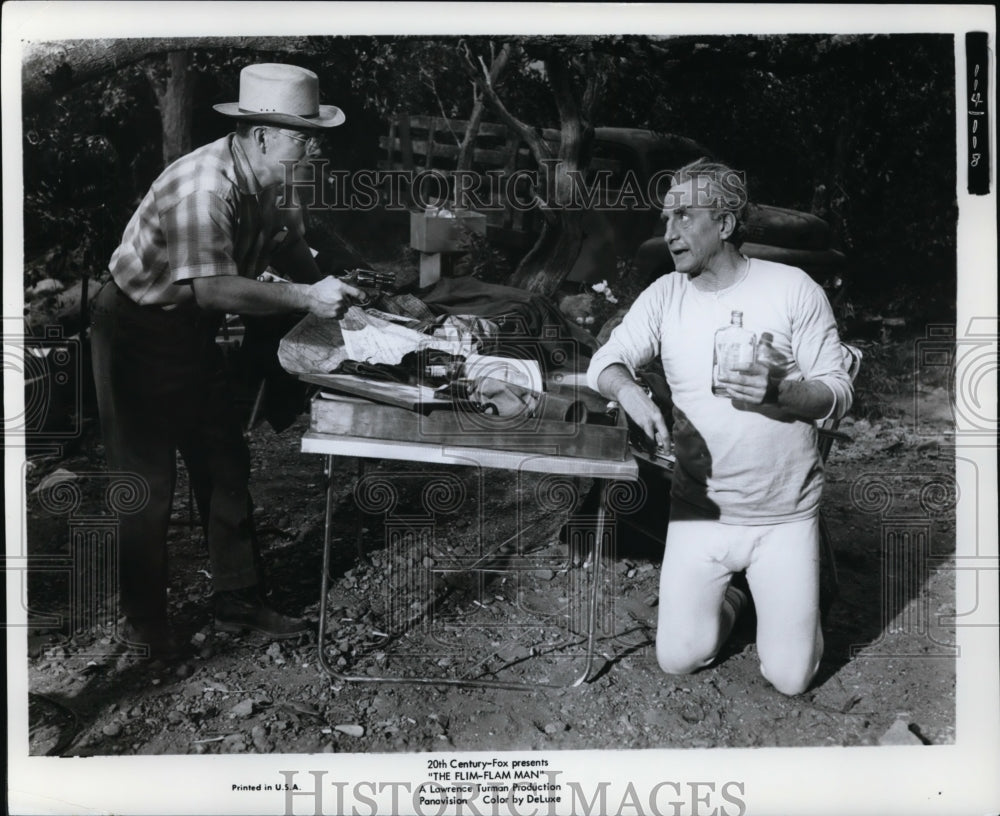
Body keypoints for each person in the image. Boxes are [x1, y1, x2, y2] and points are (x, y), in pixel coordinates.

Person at [90, 63, 364, 659]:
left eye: (315, 134)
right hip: (136, 327)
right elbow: (213, 288)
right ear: (261, 134)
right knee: (148, 480)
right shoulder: (205, 186)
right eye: (302, 134)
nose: (313, 146)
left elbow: (289, 245)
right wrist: (306, 299)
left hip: (192, 331)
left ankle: (237, 597)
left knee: (224, 459)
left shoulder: (280, 176)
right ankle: (144, 624)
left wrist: (331, 293)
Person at [587, 158, 853, 695]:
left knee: (791, 677)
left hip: (784, 514)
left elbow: (839, 392)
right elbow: (605, 361)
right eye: (666, 218)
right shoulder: (666, 296)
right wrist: (631, 391)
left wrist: (783, 391)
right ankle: (739, 597)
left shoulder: (793, 288)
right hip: (700, 512)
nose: (670, 232)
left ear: (726, 224)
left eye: (685, 216)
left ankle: (784, 598)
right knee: (679, 658)